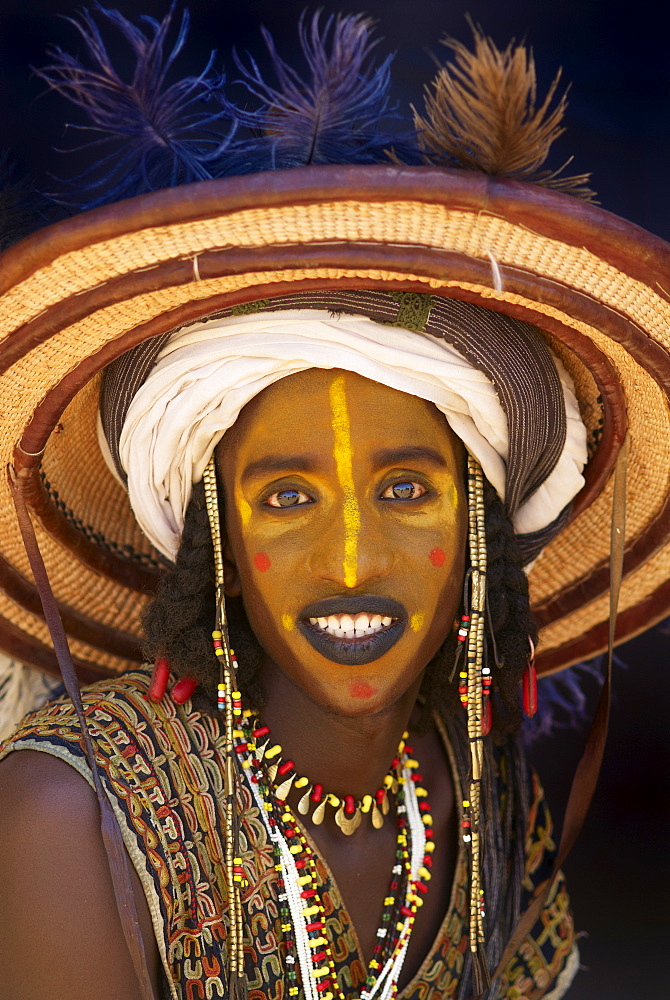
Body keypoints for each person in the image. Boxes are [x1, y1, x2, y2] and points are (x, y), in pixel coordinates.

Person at [0, 9, 668, 1000]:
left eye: (405, 489)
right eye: (285, 496)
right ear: (209, 533)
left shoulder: (483, 799)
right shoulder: (71, 819)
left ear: (478, 529)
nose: (351, 559)